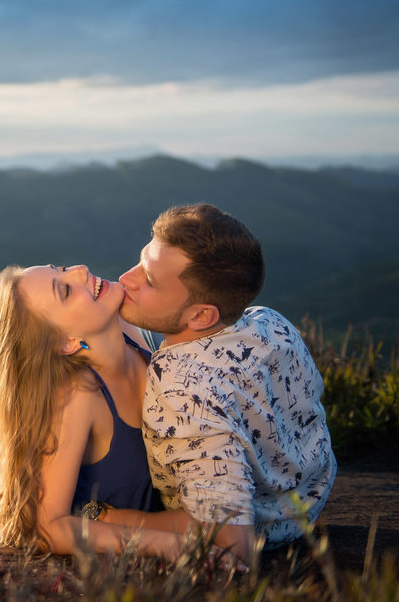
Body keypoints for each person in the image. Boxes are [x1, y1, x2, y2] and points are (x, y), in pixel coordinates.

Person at [106, 203, 337, 560]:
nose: (126, 278)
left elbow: (230, 539)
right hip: (310, 498)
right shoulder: (271, 322)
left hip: (263, 529)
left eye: (149, 280)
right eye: (141, 261)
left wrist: (108, 519)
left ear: (201, 315)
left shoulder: (181, 387)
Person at [0, 263, 181, 557]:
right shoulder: (78, 396)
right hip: (122, 530)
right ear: (67, 342)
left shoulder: (125, 328)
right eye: (65, 290)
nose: (80, 270)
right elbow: (45, 528)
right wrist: (169, 545)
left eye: (61, 268)